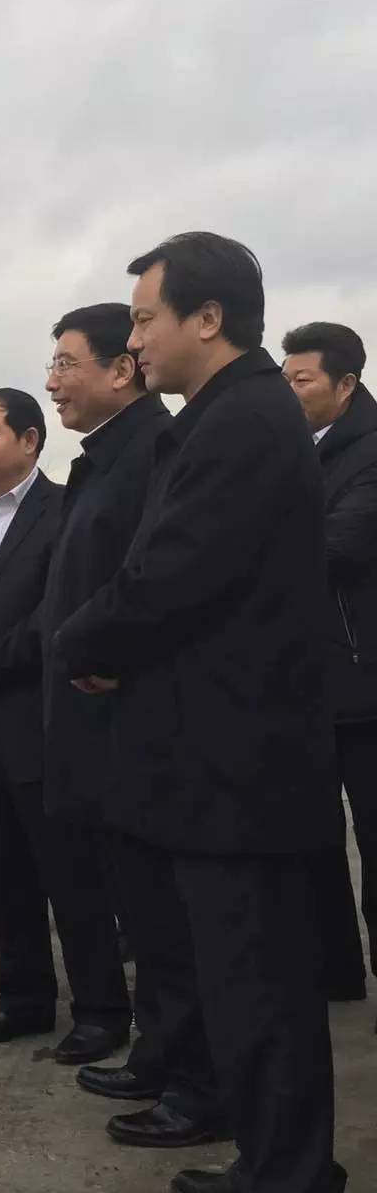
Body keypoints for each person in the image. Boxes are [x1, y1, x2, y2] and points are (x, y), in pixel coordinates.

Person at [55, 233, 350, 1193]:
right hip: (215, 764)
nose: (135, 339)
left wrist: (78, 639)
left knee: (263, 995)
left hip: (242, 771)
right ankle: (271, 1165)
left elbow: (170, 574)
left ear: (208, 318)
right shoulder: (228, 416)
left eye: (145, 318)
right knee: (241, 993)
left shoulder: (244, 422)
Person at [40, 303, 216, 1134]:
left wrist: (100, 650)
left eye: (66, 364)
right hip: (99, 721)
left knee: (170, 919)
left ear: (120, 370)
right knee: (142, 910)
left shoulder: (154, 451)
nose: (52, 383)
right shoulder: (107, 459)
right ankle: (161, 1051)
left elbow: (154, 584)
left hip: (136, 723)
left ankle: (196, 1082)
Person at [0, 390, 130, 1063]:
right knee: (5, 877)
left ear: (31, 440)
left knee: (71, 876)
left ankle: (101, 1011)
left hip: (40, 719)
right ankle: (22, 999)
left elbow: (63, 607)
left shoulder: (64, 508)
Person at [284, 321, 376, 1006]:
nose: (288, 392)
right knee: (311, 838)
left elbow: (337, 547)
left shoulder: (370, 453)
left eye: (301, 379)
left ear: (345, 385)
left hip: (365, 684)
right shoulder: (296, 454)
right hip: (305, 684)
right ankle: (335, 970)